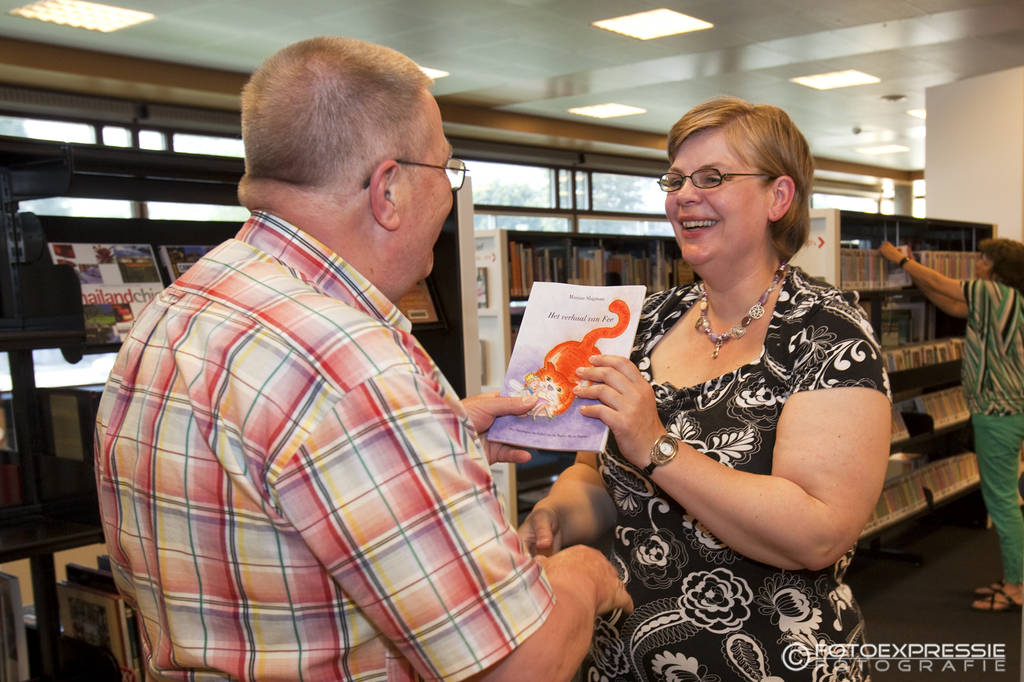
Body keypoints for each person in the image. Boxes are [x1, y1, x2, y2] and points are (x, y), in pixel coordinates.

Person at [94, 36, 631, 682]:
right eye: (446, 169)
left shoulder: (176, 308)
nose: (449, 193)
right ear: (389, 190)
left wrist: (436, 436)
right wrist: (582, 577)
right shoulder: (356, 372)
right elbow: (519, 669)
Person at [518, 96, 892, 681]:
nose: (684, 195)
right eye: (675, 179)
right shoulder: (646, 322)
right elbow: (595, 475)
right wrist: (555, 517)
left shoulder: (827, 334)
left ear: (778, 197)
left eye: (712, 177)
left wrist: (656, 446)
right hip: (622, 661)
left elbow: (817, 534)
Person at [880, 237, 1024, 611]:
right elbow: (950, 304)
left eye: (983, 258)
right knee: (1004, 497)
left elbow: (943, 285)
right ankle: (1015, 578)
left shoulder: (993, 292)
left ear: (997, 268)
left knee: (1002, 501)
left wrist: (900, 261)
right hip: (1003, 412)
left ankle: (1017, 586)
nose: (977, 263)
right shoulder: (1004, 300)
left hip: (998, 413)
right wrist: (913, 273)